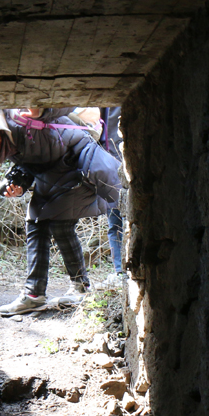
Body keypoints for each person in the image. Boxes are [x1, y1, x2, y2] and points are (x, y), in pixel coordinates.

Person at [0, 107, 121, 316]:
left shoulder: (22, 124)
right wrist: (16, 184)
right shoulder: (8, 142)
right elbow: (32, 163)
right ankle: (34, 295)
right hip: (54, 174)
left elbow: (53, 144)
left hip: (79, 165)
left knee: (60, 224)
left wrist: (41, 112)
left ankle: (80, 288)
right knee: (35, 223)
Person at [98, 105, 125, 288]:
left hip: (117, 159)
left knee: (116, 221)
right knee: (114, 220)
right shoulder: (103, 105)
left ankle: (122, 272)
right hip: (110, 162)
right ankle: (120, 272)